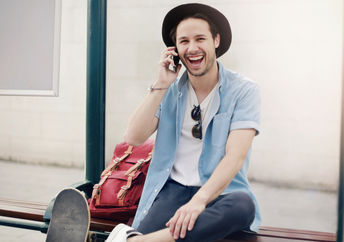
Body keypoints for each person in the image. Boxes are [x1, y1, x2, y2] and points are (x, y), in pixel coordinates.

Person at [106, 3, 261, 242]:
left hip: (220, 193)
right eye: (184, 41)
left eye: (200, 39)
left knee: (243, 205)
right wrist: (161, 84)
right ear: (175, 49)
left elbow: (235, 157)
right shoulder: (168, 90)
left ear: (216, 41)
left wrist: (198, 202)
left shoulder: (244, 90)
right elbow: (133, 137)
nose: (192, 48)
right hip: (173, 190)